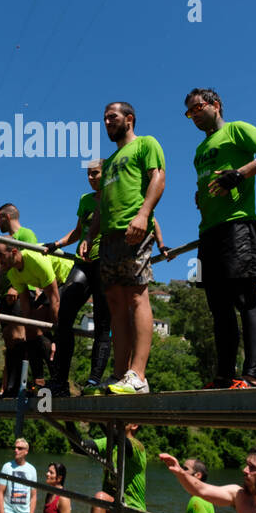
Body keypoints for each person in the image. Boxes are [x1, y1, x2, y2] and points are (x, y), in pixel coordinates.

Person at [183, 87, 256, 389]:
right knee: (218, 306)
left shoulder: (238, 129)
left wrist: (241, 173)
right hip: (207, 232)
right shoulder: (199, 150)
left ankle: (251, 376)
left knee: (244, 298)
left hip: (237, 226)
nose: (194, 116)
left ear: (216, 105)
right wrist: (202, 193)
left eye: (197, 108)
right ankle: (224, 376)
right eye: (189, 113)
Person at [90, 102, 165, 394]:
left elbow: (158, 178)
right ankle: (121, 375)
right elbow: (101, 205)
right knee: (116, 305)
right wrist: (89, 236)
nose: (107, 122)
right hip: (107, 238)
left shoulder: (147, 144)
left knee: (136, 296)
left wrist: (144, 214)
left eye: (113, 117)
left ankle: (139, 375)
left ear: (129, 119)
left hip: (134, 230)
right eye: (105, 118)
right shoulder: (108, 162)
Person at [44, 161, 113, 391]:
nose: (91, 178)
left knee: (103, 323)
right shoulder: (85, 200)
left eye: (95, 173)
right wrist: (56, 243)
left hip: (105, 261)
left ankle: (94, 381)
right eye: (88, 174)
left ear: (105, 173)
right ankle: (60, 380)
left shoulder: (116, 194)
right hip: (82, 263)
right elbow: (77, 230)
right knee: (64, 317)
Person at [0, 239, 69, 394]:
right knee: (31, 329)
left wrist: (56, 338)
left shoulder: (34, 260)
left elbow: (55, 299)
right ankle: (39, 382)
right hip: (51, 284)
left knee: (46, 323)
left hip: (66, 278)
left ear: (14, 252)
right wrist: (29, 327)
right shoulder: (13, 272)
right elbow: (26, 304)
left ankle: (59, 381)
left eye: (0, 256)